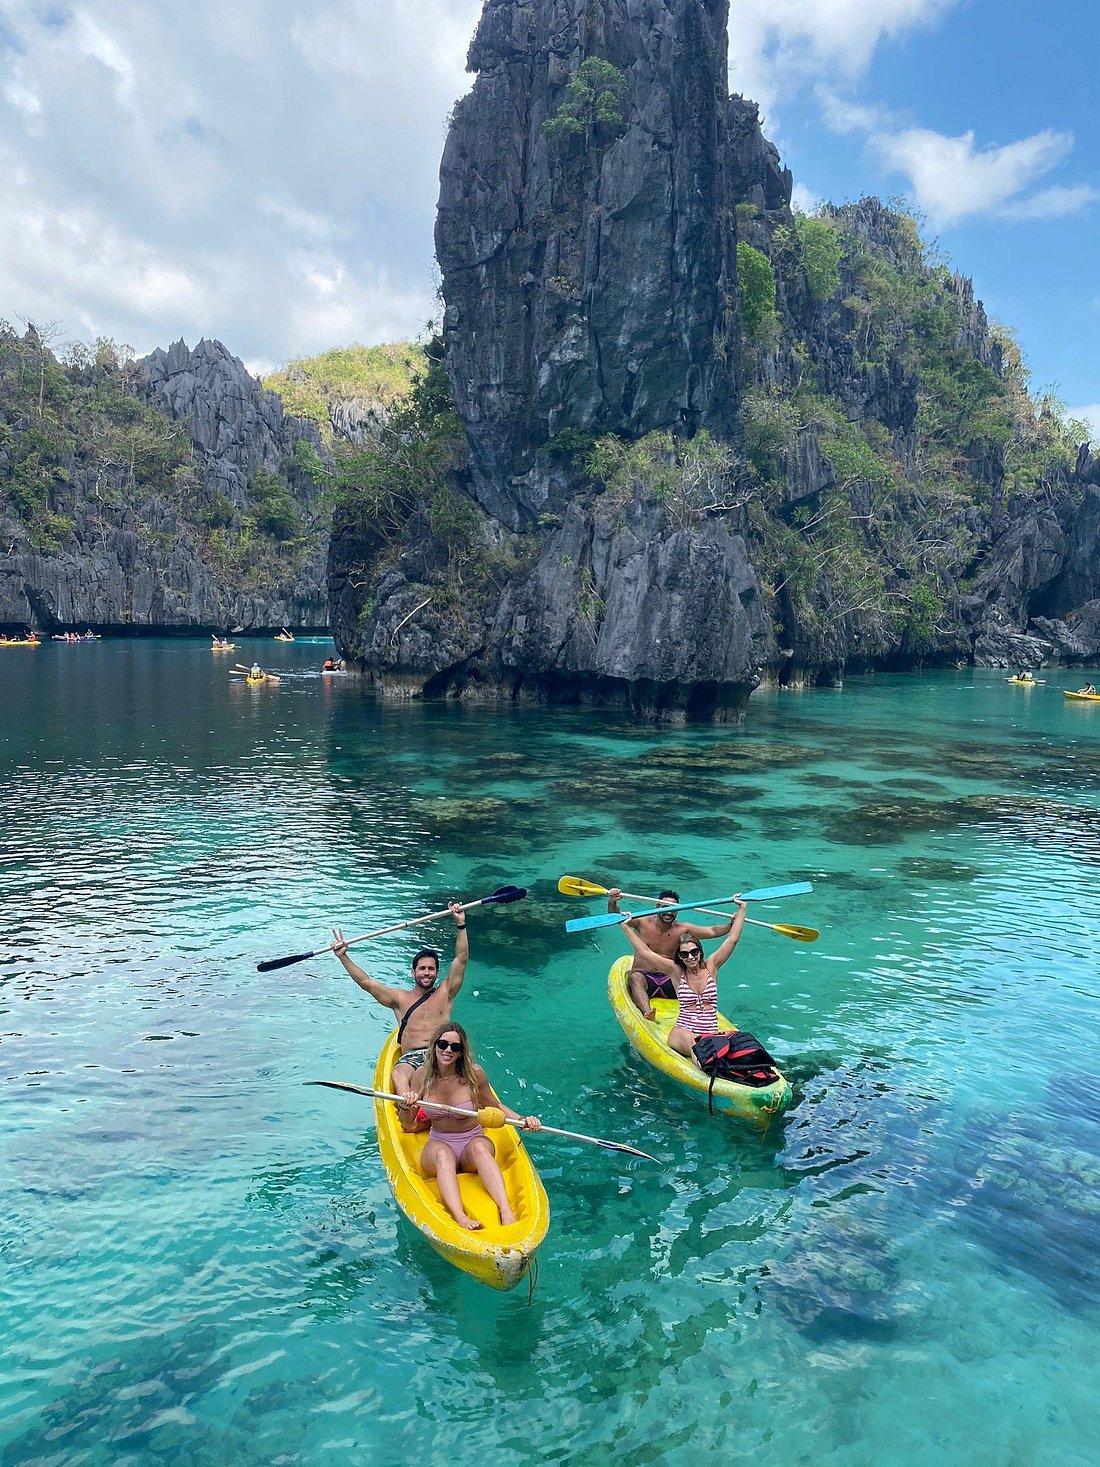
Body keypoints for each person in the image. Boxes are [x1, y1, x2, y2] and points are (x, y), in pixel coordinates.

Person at [400, 1022, 540, 1230]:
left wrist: (522, 1121)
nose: (448, 1050)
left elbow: (494, 1106)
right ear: (435, 1046)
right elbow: (407, 1122)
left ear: (461, 1052)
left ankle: (506, 1211)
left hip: (471, 1140)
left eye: (455, 1047)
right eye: (443, 1044)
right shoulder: (422, 1076)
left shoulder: (474, 1075)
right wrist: (406, 1104)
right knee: (443, 1155)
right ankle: (460, 1216)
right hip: (439, 1141)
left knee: (480, 1148)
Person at [331, 902, 469, 1100]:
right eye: (422, 968)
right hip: (411, 1057)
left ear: (437, 972)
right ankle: (408, 1102)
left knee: (472, 1073)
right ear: (413, 972)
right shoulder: (399, 998)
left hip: (442, 1054)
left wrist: (460, 924)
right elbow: (366, 982)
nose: (427, 973)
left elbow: (461, 958)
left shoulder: (446, 992)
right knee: (399, 1073)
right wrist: (343, 957)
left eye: (431, 969)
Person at [620, 904, 748, 1064]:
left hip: (710, 1033)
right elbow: (646, 952)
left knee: (731, 1043)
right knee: (696, 1043)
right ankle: (708, 1072)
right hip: (682, 1034)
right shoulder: (676, 972)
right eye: (684, 954)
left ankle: (717, 1064)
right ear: (679, 956)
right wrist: (624, 926)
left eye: (694, 952)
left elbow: (732, 939)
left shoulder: (712, 967)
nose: (690, 957)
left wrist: (742, 909)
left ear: (700, 952)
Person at [606, 887, 740, 1020]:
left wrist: (731, 924)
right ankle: (648, 1014)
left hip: (670, 981)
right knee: (635, 978)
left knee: (694, 978)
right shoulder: (642, 921)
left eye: (673, 909)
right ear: (657, 906)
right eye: (665, 907)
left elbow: (712, 931)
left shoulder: (683, 929)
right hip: (645, 978)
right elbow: (616, 917)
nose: (669, 912)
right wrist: (613, 902)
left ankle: (699, 1012)